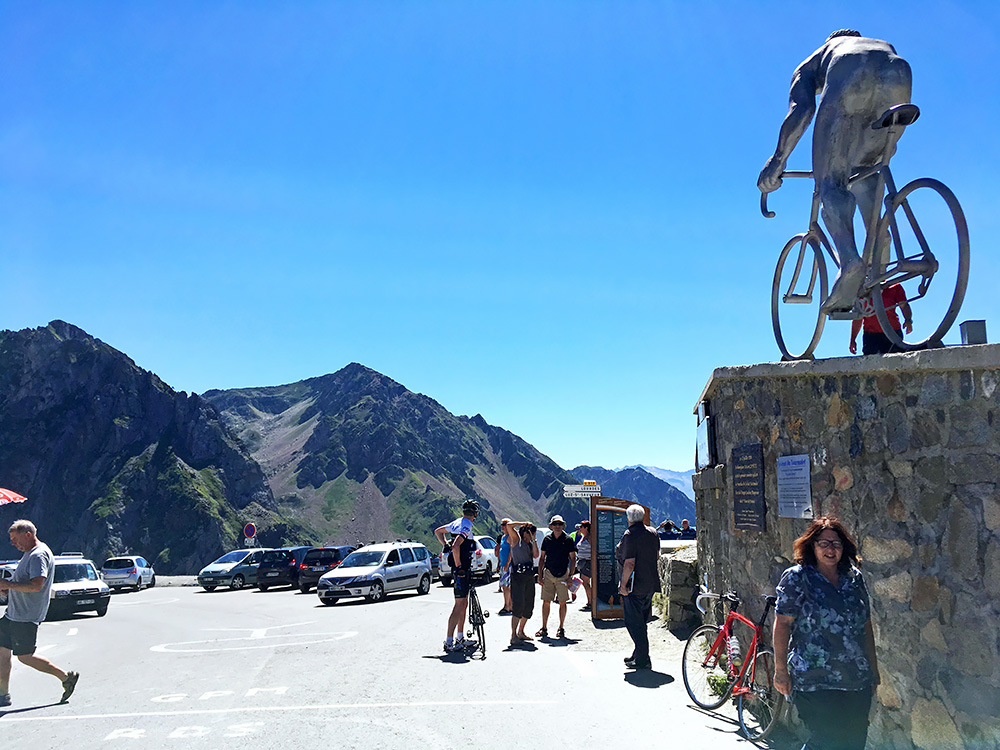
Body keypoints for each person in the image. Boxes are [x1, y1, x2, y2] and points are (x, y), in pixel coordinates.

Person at [758, 31, 912, 314]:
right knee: (865, 170)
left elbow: (802, 111)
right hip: (899, 71)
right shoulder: (878, 44)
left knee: (830, 181)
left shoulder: (814, 62)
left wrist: (777, 160)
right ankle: (880, 254)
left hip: (851, 70)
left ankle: (850, 262)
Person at [773, 517, 880, 750]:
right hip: (814, 680)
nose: (831, 549)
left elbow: (866, 626)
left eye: (837, 543)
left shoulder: (854, 578)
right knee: (826, 741)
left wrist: (873, 670)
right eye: (824, 543)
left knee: (854, 741)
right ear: (812, 545)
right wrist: (781, 670)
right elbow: (782, 624)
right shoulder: (797, 577)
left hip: (855, 678)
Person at [0, 520, 79, 707]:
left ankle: (66, 677)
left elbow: (36, 586)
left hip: (25, 617)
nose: (13, 543)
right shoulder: (29, 553)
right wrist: (8, 589)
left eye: (15, 539)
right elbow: (24, 581)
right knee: (2, 652)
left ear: (28, 535)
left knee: (25, 657)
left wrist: (9, 585)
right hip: (13, 614)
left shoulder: (38, 555)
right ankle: (3, 695)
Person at [617, 505, 660, 670]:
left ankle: (643, 659)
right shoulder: (652, 533)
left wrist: (623, 584)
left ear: (628, 518)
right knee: (641, 620)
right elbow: (656, 555)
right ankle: (638, 654)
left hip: (634, 585)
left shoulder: (630, 535)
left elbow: (629, 563)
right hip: (650, 582)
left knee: (633, 622)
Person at [434, 499, 480, 652]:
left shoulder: (456, 522)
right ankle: (449, 641)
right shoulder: (467, 525)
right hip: (461, 570)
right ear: (474, 513)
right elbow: (456, 545)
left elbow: (438, 531)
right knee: (459, 605)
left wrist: (444, 543)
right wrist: (459, 566)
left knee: (464, 603)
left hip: (463, 569)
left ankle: (460, 637)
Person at [535, 515, 576, 640]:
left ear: (563, 525)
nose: (557, 526)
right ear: (551, 526)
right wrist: (540, 575)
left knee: (562, 602)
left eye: (559, 524)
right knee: (546, 601)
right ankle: (544, 627)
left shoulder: (568, 540)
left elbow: (573, 558)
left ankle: (561, 627)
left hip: (563, 574)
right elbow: (542, 558)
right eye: (555, 524)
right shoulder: (547, 540)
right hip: (549, 573)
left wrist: (571, 576)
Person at [849, 283, 913, 355]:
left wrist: (908, 320)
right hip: (871, 336)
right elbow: (858, 317)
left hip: (892, 332)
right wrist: (853, 339)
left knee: (895, 362)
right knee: (872, 364)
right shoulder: (862, 291)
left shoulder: (894, 286)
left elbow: (904, 305)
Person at [505, 521, 539, 646]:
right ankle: (513, 635)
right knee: (518, 606)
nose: (525, 538)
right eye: (524, 535)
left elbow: (536, 555)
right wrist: (523, 523)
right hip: (518, 577)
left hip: (529, 577)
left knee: (528, 606)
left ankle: (521, 632)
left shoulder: (530, 544)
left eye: (528, 535)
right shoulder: (516, 540)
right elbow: (509, 526)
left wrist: (534, 540)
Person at [575, 520, 593, 609]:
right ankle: (590, 601)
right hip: (583, 562)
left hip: (588, 561)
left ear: (586, 528)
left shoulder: (590, 537)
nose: (580, 529)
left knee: (585, 582)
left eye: (581, 527)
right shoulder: (583, 537)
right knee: (585, 582)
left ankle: (591, 602)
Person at [497, 519, 512, 614]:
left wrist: (507, 563)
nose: (503, 526)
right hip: (503, 564)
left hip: (508, 565)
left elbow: (511, 551)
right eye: (502, 524)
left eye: (505, 524)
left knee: (506, 586)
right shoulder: (503, 537)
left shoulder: (510, 537)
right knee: (504, 586)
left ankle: (507, 606)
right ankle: (508, 605)